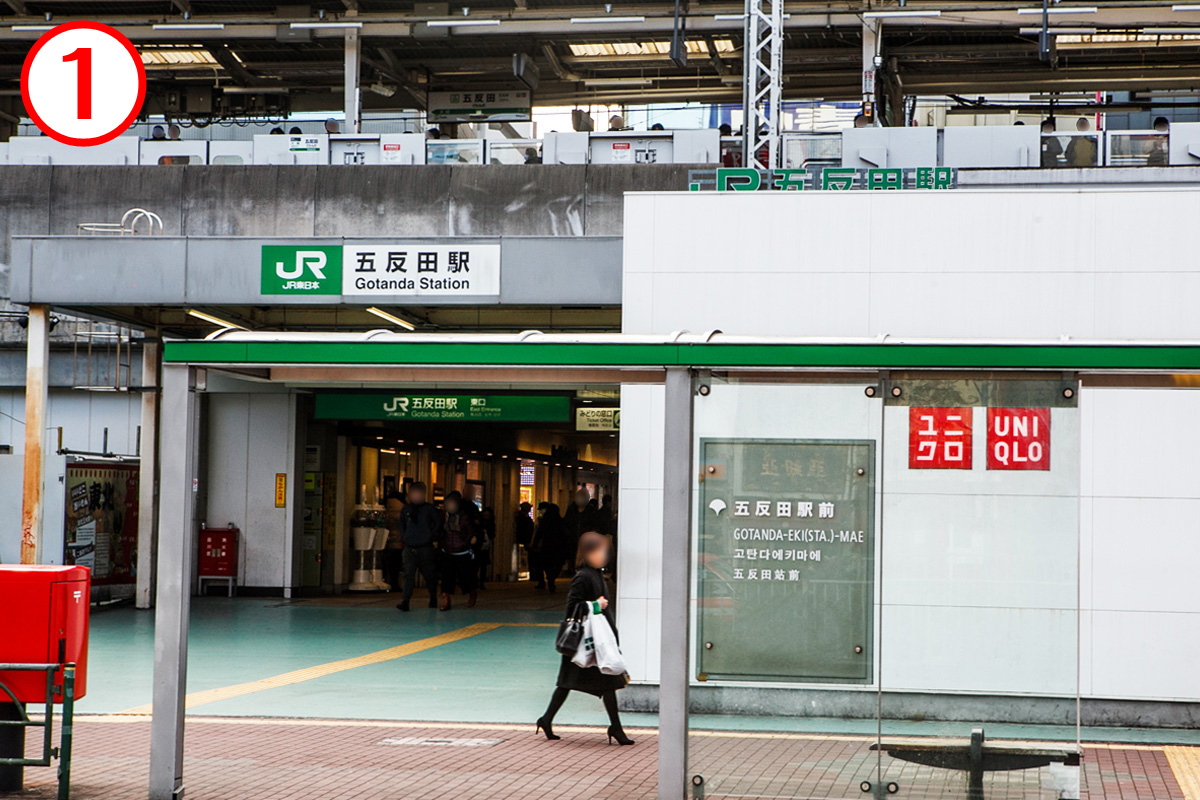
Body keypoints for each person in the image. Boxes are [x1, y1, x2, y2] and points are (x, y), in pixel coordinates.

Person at [536, 530, 633, 746]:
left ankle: (546, 719)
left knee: (570, 683)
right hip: (586, 643)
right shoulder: (583, 576)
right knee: (599, 683)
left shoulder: (597, 574)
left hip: (593, 643)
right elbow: (572, 608)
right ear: (587, 553)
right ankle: (615, 729)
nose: (603, 556)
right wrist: (595, 605)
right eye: (599, 552)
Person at [396, 481, 440, 612]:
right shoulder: (406, 509)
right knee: (408, 574)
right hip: (409, 547)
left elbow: (438, 523)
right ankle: (406, 601)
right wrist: (404, 536)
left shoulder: (429, 509)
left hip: (425, 547)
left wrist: (432, 536)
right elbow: (401, 523)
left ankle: (433, 597)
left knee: (429, 575)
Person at [437, 491, 478, 611]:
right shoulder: (443, 516)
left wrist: (464, 542)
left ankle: (472, 593)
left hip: (462, 552)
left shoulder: (464, 517)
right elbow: (438, 530)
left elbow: (471, 532)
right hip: (447, 551)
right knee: (446, 578)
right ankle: (446, 600)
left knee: (466, 577)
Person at [530, 502, 565, 592]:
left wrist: (534, 544)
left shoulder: (544, 521)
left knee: (545, 565)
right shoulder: (560, 521)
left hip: (546, 547)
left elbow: (539, 533)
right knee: (556, 565)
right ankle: (551, 580)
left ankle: (548, 581)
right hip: (558, 547)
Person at [562, 489, 599, 575]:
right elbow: (566, 524)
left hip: (586, 542)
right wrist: (569, 535)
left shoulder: (591, 511)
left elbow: (595, 525)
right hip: (572, 540)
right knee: (573, 557)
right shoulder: (571, 510)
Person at [382, 490, 405, 593]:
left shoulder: (387, 506)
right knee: (396, 564)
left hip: (388, 540)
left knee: (389, 564)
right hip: (398, 541)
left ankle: (389, 581)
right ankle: (395, 584)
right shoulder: (401, 508)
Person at [476, 506, 496, 589]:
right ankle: (476, 581)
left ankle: (481, 582)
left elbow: (493, 534)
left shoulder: (491, 524)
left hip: (485, 546)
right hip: (478, 545)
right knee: (477, 564)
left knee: (483, 565)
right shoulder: (479, 522)